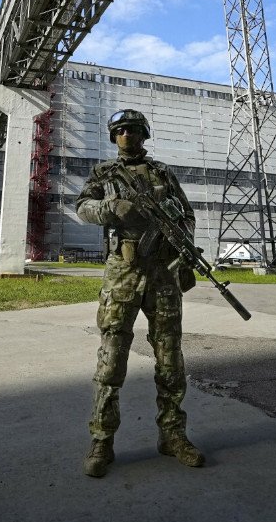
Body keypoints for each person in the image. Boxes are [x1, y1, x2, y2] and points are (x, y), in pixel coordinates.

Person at [75, 108, 204, 478]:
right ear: (113, 136)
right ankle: (102, 440)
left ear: (144, 134)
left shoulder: (162, 172)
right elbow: (82, 207)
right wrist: (111, 207)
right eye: (120, 131)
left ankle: (173, 435)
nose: (127, 135)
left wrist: (184, 247)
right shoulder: (104, 173)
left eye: (133, 130)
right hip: (123, 274)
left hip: (163, 274)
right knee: (111, 360)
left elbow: (186, 215)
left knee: (170, 359)